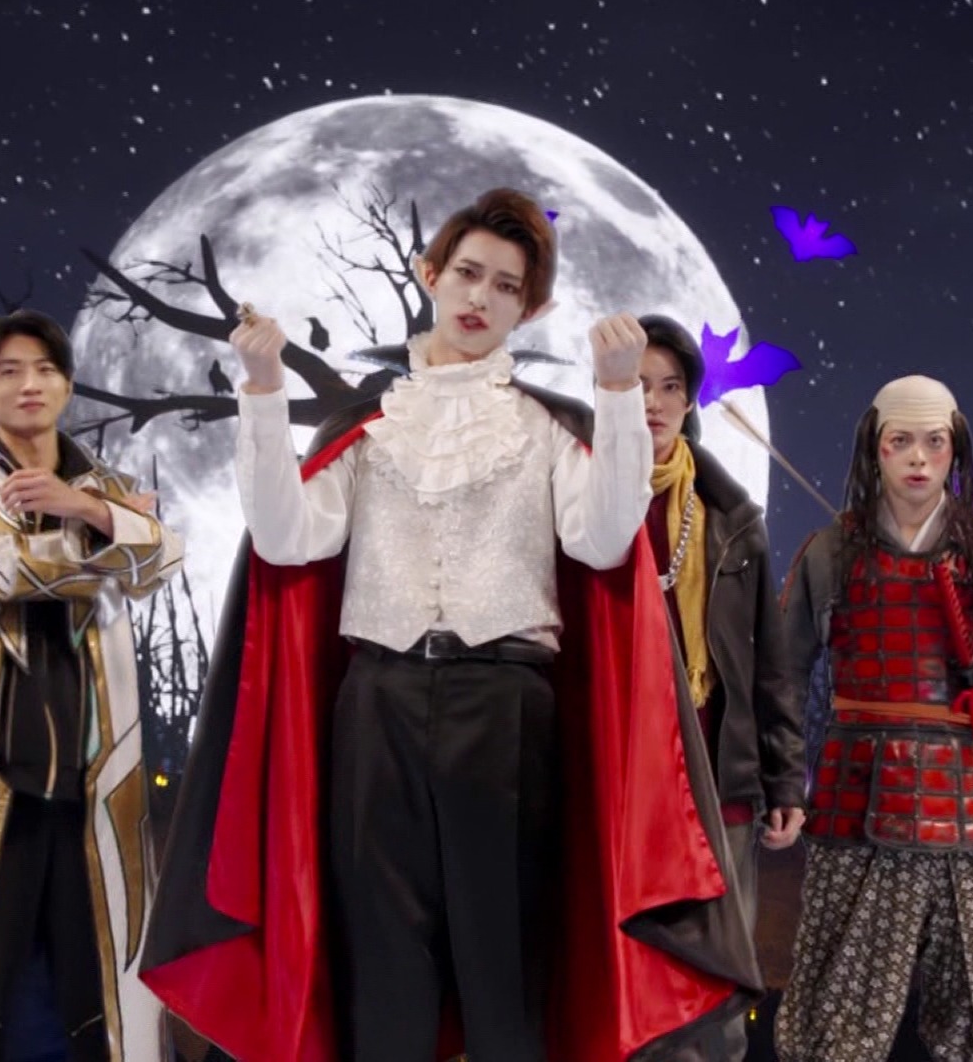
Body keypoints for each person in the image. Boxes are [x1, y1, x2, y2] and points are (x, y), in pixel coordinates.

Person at [144, 187, 760, 1061]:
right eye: (468, 273)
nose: (481, 298)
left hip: (505, 708)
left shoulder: (547, 428)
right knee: (383, 970)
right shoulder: (369, 429)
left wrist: (620, 394)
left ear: (530, 308)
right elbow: (285, 539)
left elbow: (602, 540)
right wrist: (263, 391)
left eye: (507, 287)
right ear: (429, 274)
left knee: (503, 970)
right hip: (377, 705)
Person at [0, 309, 182, 1061]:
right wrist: (105, 540)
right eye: (10, 372)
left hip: (97, 785)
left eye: (47, 369)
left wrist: (82, 506)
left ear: (68, 384)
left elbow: (163, 559)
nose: (31, 385)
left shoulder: (105, 486)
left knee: (106, 1009)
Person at [772, 374, 973, 1062]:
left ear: (954, 448)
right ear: (873, 449)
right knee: (831, 1025)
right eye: (899, 441)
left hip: (967, 803)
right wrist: (783, 784)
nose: (917, 458)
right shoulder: (830, 551)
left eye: (934, 442)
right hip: (854, 801)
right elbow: (781, 676)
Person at [637, 314, 806, 1059]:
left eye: (670, 386)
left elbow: (770, 662)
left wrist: (784, 779)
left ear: (689, 399)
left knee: (719, 984)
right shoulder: (574, 504)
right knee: (635, 979)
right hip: (624, 779)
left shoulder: (733, 519)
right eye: (635, 385)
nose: (652, 402)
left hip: (719, 772)